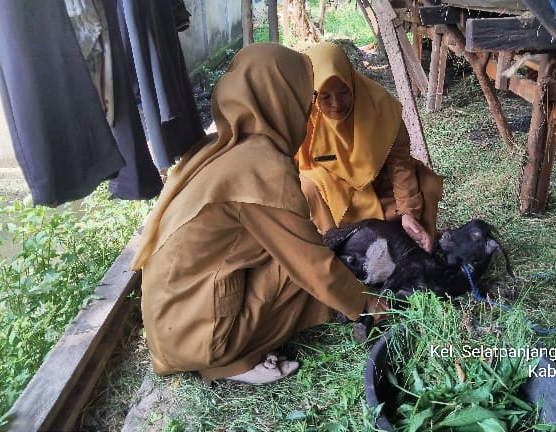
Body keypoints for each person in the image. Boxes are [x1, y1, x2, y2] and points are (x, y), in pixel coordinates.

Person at [130, 43, 385, 385]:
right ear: (282, 99)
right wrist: (368, 305)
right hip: (198, 339)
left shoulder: (222, 147)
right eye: (304, 96)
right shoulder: (261, 167)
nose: (309, 109)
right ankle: (233, 359)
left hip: (173, 324)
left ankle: (222, 349)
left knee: (300, 247)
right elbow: (314, 268)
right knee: (309, 263)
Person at [296, 42, 443, 252]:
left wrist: (408, 212)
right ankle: (335, 246)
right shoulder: (301, 113)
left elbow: (399, 163)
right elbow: (289, 167)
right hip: (335, 197)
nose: (336, 104)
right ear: (313, 93)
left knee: (426, 182)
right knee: (306, 184)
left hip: (378, 185)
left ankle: (416, 241)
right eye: (325, 96)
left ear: (352, 81)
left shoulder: (380, 107)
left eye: (343, 92)